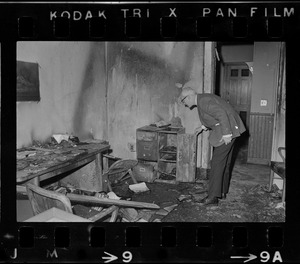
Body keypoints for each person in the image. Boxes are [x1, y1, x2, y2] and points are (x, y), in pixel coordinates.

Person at [179, 86, 246, 206]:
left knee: (216, 163)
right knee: (225, 162)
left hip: (227, 130)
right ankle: (222, 192)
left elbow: (221, 114)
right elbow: (213, 117)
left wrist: (226, 134)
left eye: (183, 100)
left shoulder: (203, 101)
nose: (184, 103)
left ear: (188, 97)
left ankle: (213, 197)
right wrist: (203, 127)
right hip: (230, 129)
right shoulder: (202, 99)